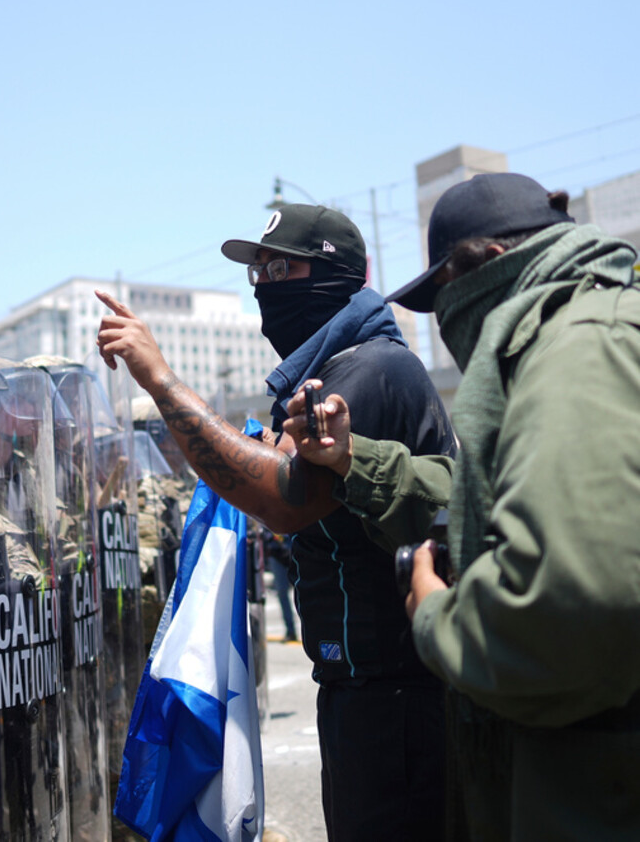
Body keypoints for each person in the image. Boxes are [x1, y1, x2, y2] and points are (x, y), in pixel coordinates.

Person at [288, 172, 640, 839]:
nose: (446, 319)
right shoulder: (572, 338)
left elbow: (576, 609)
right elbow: (478, 494)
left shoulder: (578, 349)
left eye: (447, 292)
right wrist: (352, 457)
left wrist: (439, 616)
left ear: (492, 263)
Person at [96, 203, 456, 842]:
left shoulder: (370, 367)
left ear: (332, 276)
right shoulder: (328, 370)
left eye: (280, 269)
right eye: (256, 272)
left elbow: (286, 499)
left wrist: (161, 380)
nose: (263, 286)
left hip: (399, 694)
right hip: (364, 687)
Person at [260, 527, 297, 643]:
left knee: (305, 590)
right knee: (282, 592)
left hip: (295, 548)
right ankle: (290, 630)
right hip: (277, 553)